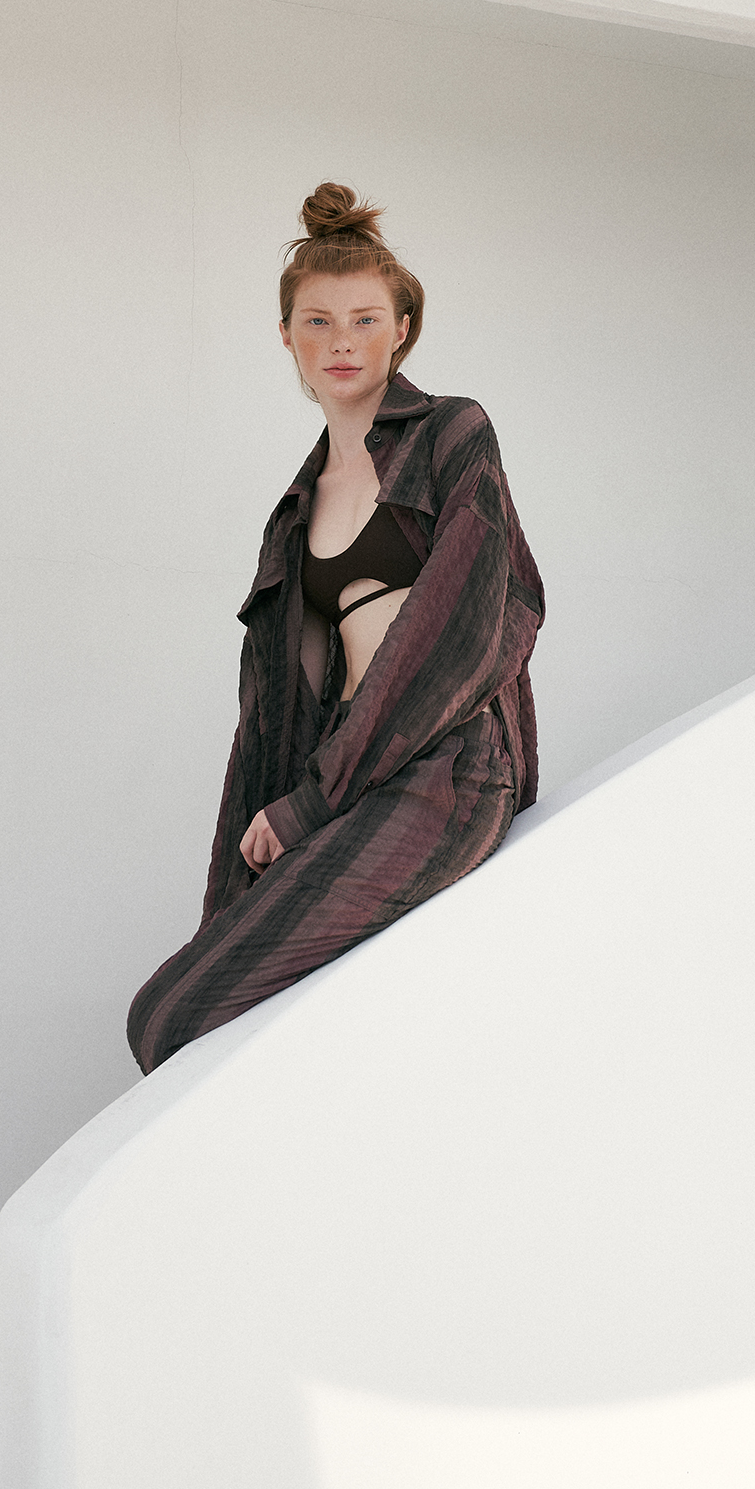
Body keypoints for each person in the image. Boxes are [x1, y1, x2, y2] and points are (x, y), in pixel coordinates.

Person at [126, 183, 544, 1075]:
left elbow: (468, 628)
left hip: (445, 770)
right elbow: (270, 717)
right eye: (318, 322)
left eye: (364, 320)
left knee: (179, 1018)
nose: (342, 341)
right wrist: (235, 889)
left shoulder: (452, 434)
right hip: (336, 780)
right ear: (287, 338)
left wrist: (313, 806)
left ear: (402, 330)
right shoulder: (294, 511)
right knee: (165, 1021)